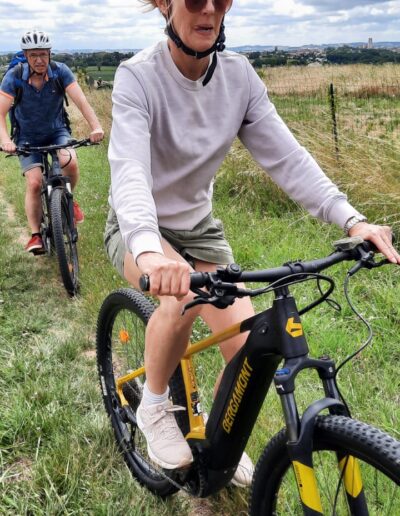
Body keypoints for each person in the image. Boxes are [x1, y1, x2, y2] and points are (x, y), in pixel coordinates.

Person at [105, 0, 400, 486]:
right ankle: (155, 403)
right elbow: (131, 171)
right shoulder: (137, 76)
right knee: (179, 298)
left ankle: (216, 439)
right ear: (165, 5)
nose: (208, 11)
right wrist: (149, 250)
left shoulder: (239, 79)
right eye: (194, 0)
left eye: (219, 0)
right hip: (139, 226)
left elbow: (289, 159)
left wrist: (352, 220)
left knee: (249, 348)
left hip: (199, 226)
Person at [0, 30, 104, 254]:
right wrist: (6, 140)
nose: (39, 60)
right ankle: (36, 235)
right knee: (35, 182)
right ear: (26, 56)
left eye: (43, 54)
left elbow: (82, 102)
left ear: (50, 54)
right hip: (26, 136)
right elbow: (0, 113)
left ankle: (68, 200)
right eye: (33, 55)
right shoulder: (14, 76)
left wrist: (96, 126)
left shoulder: (60, 72)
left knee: (71, 162)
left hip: (57, 131)